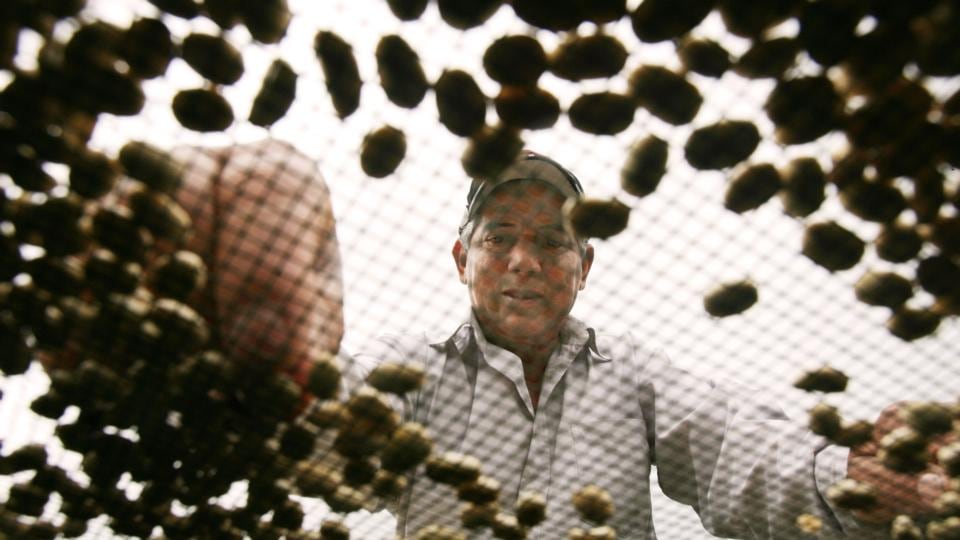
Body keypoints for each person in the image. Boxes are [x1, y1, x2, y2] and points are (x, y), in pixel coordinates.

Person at [350, 150, 948, 539]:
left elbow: (738, 453)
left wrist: (859, 479)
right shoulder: (410, 368)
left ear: (584, 266)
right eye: (498, 238)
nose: (523, 262)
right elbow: (341, 432)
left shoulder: (631, 374)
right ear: (463, 258)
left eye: (552, 243)